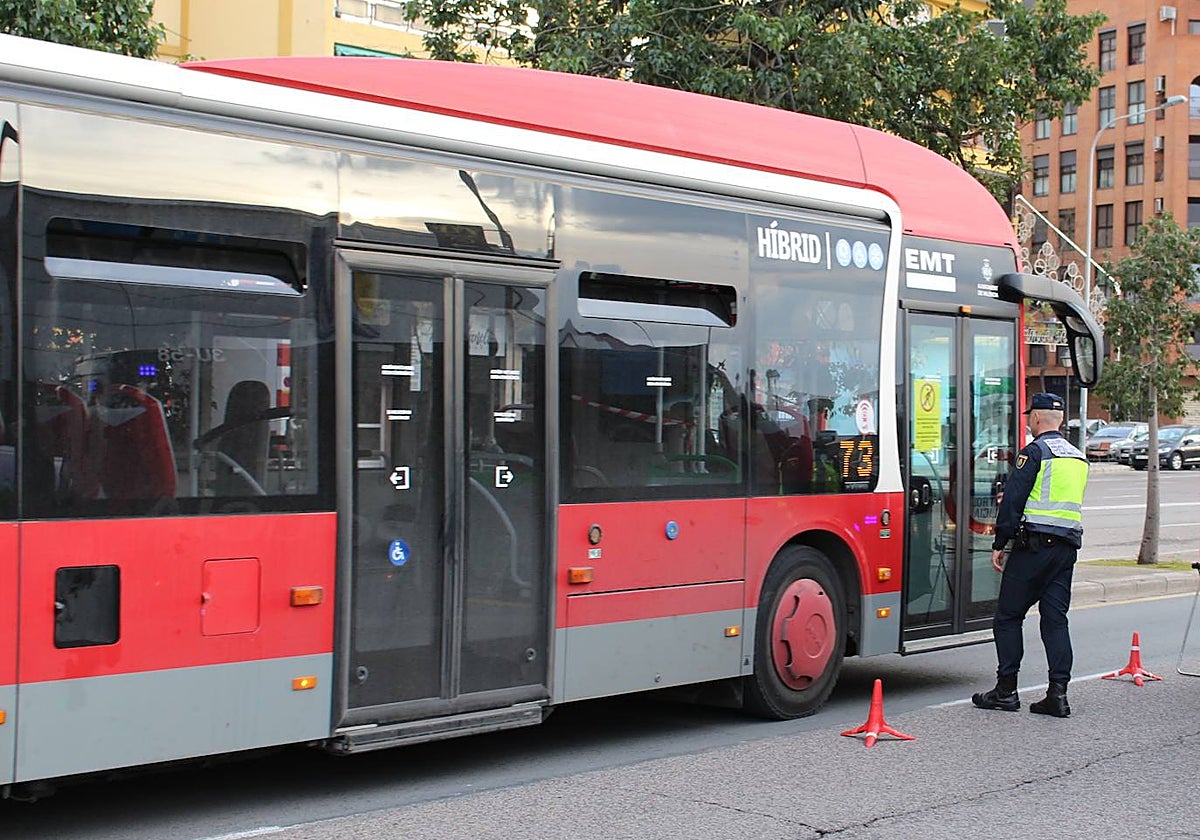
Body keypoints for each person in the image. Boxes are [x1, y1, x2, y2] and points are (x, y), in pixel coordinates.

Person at [972, 392, 1089, 718]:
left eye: (1028, 416)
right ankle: (1058, 695)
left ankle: (1006, 691)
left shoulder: (1034, 452)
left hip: (1034, 547)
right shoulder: (1079, 457)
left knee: (1008, 617)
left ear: (1036, 419)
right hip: (1066, 550)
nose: (1027, 421)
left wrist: (1000, 543)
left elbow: (1013, 501)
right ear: (1061, 420)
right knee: (1055, 620)